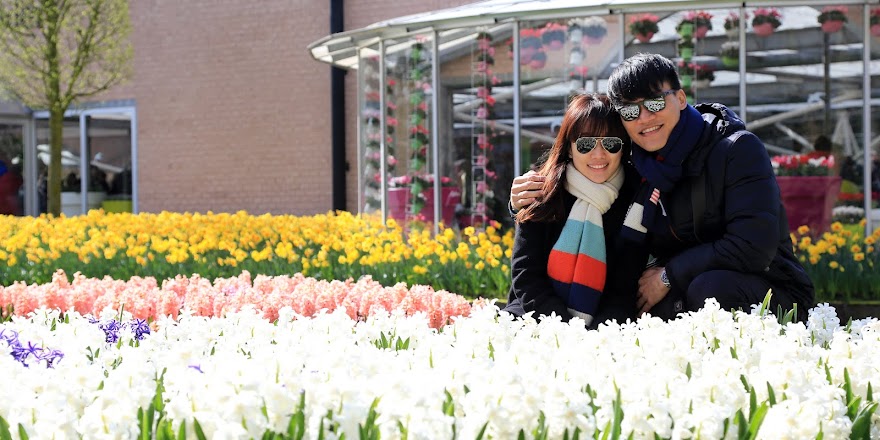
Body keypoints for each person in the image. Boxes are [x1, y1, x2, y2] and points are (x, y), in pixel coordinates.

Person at [511, 53, 814, 321]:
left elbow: (752, 246)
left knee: (708, 290)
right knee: (643, 310)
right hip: (686, 283)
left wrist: (669, 275)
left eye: (654, 103)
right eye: (629, 111)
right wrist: (522, 200)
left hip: (766, 286)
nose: (644, 118)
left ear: (681, 99)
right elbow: (582, 193)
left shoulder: (736, 150)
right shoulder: (640, 171)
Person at [504, 93, 649, 327]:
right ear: (570, 148)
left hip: (606, 325)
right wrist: (566, 330)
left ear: (623, 148)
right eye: (586, 144)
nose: (599, 154)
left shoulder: (635, 200)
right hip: (535, 316)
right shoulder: (542, 192)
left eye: (611, 143)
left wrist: (597, 336)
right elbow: (526, 277)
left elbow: (624, 286)